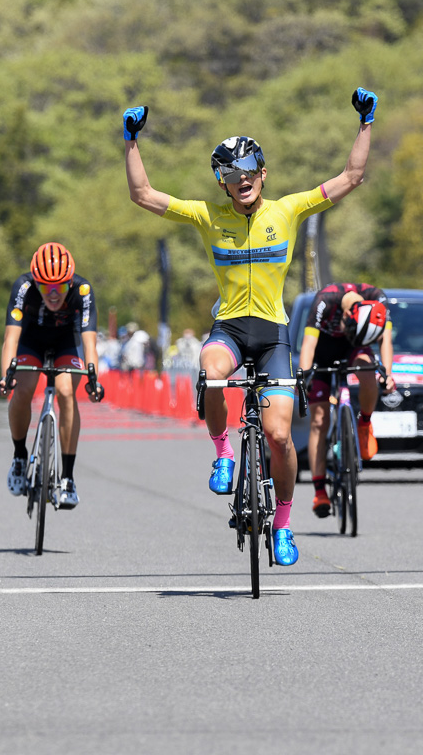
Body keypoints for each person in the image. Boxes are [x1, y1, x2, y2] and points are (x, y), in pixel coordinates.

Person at [123, 87, 377, 567]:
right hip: (231, 330)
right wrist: (132, 142)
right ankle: (223, 453)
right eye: (230, 174)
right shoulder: (206, 215)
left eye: (248, 172)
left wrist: (365, 122)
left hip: (273, 335)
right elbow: (143, 195)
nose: (241, 181)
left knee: (280, 437)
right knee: (212, 368)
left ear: (263, 173)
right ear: (222, 182)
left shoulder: (288, 210)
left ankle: (283, 524)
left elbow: (352, 176)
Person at [0, 242, 104, 509]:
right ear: (35, 282)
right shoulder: (23, 287)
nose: (54, 294)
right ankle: (20, 457)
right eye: (45, 287)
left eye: (60, 287)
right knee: (22, 390)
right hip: (31, 340)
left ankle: (67, 477)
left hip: (68, 339)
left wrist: (94, 380)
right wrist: (5, 376)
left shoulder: (83, 290)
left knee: (67, 392)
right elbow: (11, 338)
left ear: (70, 282)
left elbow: (90, 344)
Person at [296, 283, 395, 518]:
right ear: (348, 314)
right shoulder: (325, 300)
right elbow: (308, 345)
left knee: (369, 372)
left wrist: (388, 375)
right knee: (319, 420)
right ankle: (320, 489)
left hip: (356, 346)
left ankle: (364, 423)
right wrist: (304, 377)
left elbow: (385, 341)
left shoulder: (377, 299)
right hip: (323, 352)